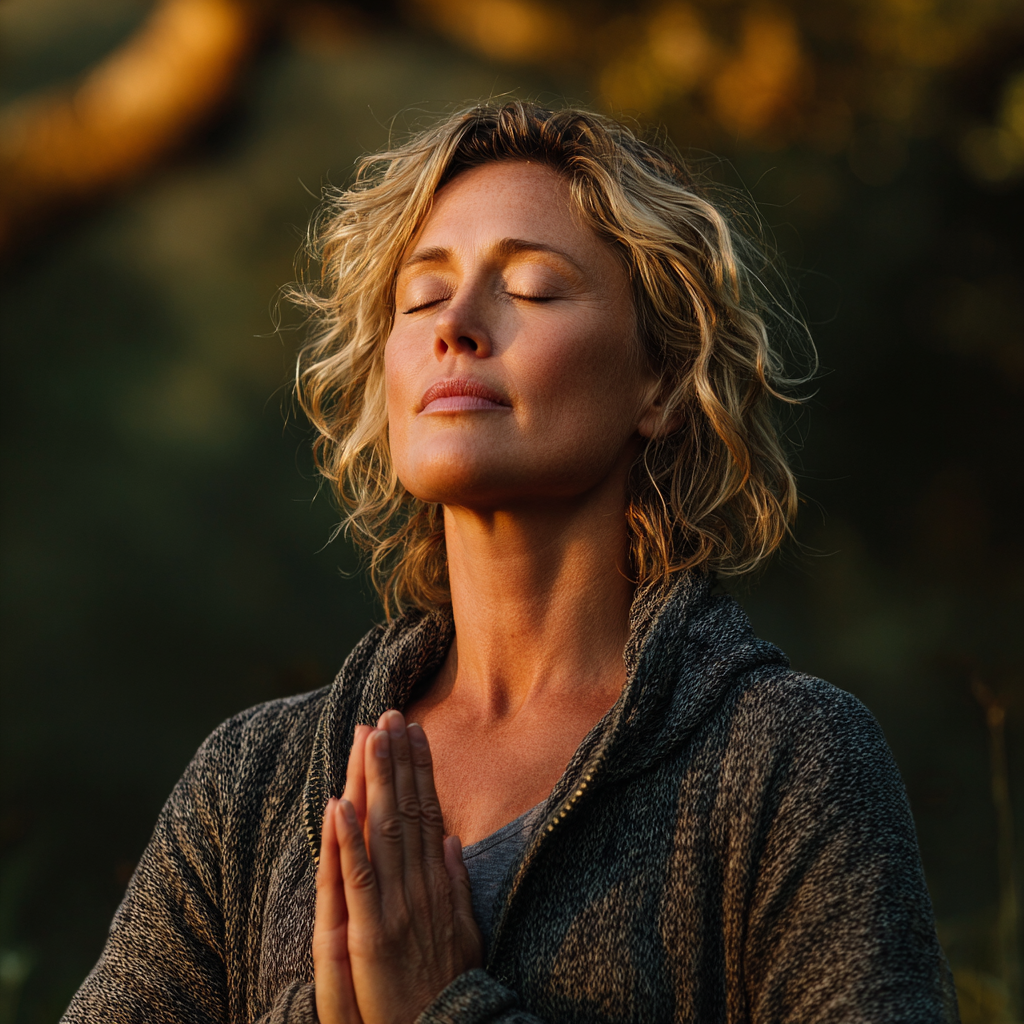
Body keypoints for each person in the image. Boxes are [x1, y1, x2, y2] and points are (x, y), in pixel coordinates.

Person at [63, 101, 959, 1024]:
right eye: (420, 296)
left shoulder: (786, 761)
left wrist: (443, 1011)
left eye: (530, 288)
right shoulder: (252, 782)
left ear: (661, 379)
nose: (454, 324)